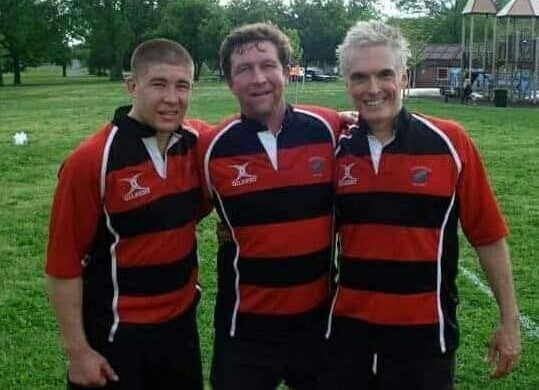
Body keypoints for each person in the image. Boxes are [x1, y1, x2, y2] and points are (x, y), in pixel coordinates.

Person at [322, 20, 521, 389]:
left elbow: (488, 236)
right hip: (347, 339)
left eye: (385, 74)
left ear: (404, 77)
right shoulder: (333, 148)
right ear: (346, 83)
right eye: (360, 77)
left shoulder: (451, 142)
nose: (373, 88)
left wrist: (509, 321)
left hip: (425, 342)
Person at [46, 39, 208, 390]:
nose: (171, 98)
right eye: (159, 84)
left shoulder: (199, 144)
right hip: (117, 336)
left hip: (181, 331)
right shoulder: (90, 161)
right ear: (132, 86)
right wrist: (78, 352)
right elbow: (63, 265)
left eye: (182, 86)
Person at [197, 23, 343, 390]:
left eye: (268, 65)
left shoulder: (329, 128)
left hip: (318, 323)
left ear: (287, 71)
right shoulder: (210, 147)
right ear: (229, 82)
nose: (258, 78)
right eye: (244, 69)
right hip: (244, 328)